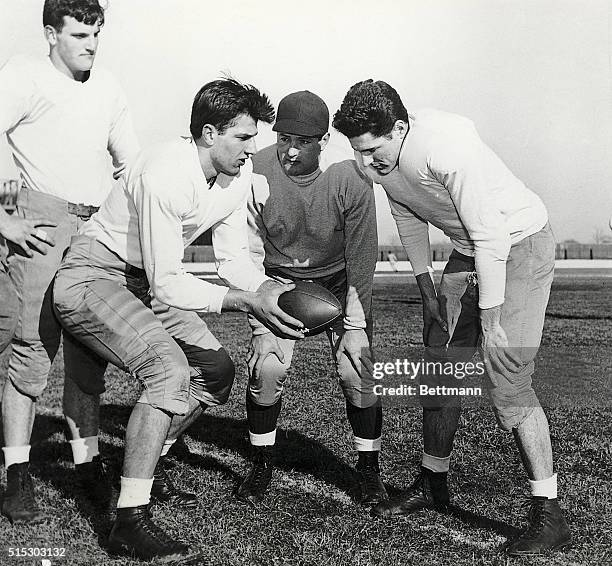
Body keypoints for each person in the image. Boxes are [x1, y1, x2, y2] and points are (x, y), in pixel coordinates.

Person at [53, 78, 305, 562]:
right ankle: (128, 521)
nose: (253, 149)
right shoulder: (165, 171)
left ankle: (146, 459)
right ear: (209, 133)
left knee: (216, 371)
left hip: (142, 278)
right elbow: (169, 282)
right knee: (167, 370)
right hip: (93, 275)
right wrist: (246, 303)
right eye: (243, 137)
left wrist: (269, 290)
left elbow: (233, 263)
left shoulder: (235, 178)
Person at [333, 80, 571, 556]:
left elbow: (491, 235)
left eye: (374, 150)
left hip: (517, 241)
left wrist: (491, 320)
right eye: (358, 152)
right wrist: (426, 287)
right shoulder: (379, 160)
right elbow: (407, 215)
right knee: (440, 368)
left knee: (506, 376)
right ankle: (432, 480)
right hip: (470, 250)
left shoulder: (446, 147)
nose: (366, 163)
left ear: (400, 128)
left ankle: (550, 511)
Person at [0, 0, 140, 525]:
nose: (91, 44)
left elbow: (129, 163)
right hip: (40, 215)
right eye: (80, 34)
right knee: (31, 349)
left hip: (94, 224)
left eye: (97, 33)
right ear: (50, 33)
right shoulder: (24, 73)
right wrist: (7, 216)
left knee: (89, 350)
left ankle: (87, 465)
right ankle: (16, 476)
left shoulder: (108, 87)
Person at [237, 90, 386, 505]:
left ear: (323, 140)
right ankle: (261, 461)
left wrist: (355, 326)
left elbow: (362, 256)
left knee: (358, 368)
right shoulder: (255, 169)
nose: (290, 150)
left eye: (303, 141)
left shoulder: (349, 173)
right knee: (266, 366)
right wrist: (259, 300)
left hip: (339, 280)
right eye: (284, 138)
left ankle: (369, 470)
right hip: (280, 282)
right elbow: (247, 248)